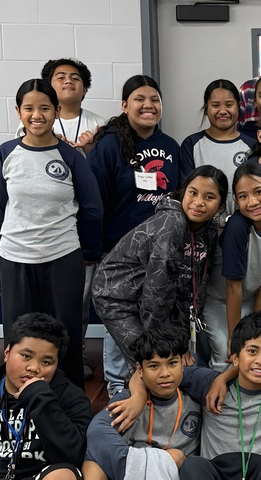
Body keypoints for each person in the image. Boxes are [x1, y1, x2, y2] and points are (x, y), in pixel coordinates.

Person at [0, 79, 103, 388]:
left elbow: (92, 208)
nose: (37, 115)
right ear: (18, 112)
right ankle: (18, 396)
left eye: (45, 108)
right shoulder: (5, 153)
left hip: (62, 257)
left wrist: (89, 253)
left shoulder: (71, 156)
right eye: (29, 108)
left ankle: (68, 398)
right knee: (18, 334)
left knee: (65, 332)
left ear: (57, 110)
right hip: (13, 257)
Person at [88, 75, 180, 390]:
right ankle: (117, 385)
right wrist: (94, 249)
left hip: (160, 251)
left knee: (154, 316)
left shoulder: (170, 146)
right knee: (120, 317)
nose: (148, 105)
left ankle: (150, 380)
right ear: (125, 105)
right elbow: (94, 201)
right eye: (139, 99)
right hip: (117, 251)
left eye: (154, 99)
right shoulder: (109, 144)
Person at [93, 167, 227, 373]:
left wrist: (181, 340)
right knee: (149, 361)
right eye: (193, 193)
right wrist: (170, 344)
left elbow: (194, 286)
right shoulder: (172, 224)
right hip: (117, 297)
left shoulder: (208, 230)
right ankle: (123, 396)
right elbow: (157, 291)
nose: (199, 202)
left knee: (164, 363)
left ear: (220, 205)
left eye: (209, 197)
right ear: (183, 192)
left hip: (147, 298)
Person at [0, 313, 93, 480]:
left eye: (46, 362)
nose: (33, 368)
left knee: (64, 475)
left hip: (38, 474)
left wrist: (41, 399)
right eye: (26, 356)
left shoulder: (72, 398)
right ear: (7, 352)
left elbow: (75, 456)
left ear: (56, 366)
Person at [83, 327, 220, 480]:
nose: (165, 373)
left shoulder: (195, 397)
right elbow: (96, 434)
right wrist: (161, 460)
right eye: (154, 366)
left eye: (172, 363)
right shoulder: (127, 402)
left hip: (178, 474)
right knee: (92, 464)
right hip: (133, 473)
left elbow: (228, 378)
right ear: (139, 370)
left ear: (182, 363)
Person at [183, 312, 261, 479]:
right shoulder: (210, 384)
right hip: (218, 473)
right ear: (235, 358)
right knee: (192, 464)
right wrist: (138, 395)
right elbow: (161, 374)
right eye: (252, 351)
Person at [205, 163, 261, 370]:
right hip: (220, 300)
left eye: (258, 192)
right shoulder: (238, 226)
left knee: (255, 346)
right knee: (227, 354)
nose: (252, 202)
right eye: (243, 196)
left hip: (251, 299)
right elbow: (232, 286)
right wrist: (234, 336)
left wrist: (253, 324)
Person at [179, 79, 258, 218]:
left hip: (243, 223)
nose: (223, 111)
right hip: (202, 223)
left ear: (238, 107)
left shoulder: (252, 146)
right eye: (215, 105)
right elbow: (187, 192)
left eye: (229, 105)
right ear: (206, 108)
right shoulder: (192, 144)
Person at [19, 58, 104, 153]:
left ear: (84, 89)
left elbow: (111, 164)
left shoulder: (100, 124)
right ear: (49, 87)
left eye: (75, 78)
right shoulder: (34, 122)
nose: (68, 81)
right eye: (61, 77)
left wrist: (93, 151)